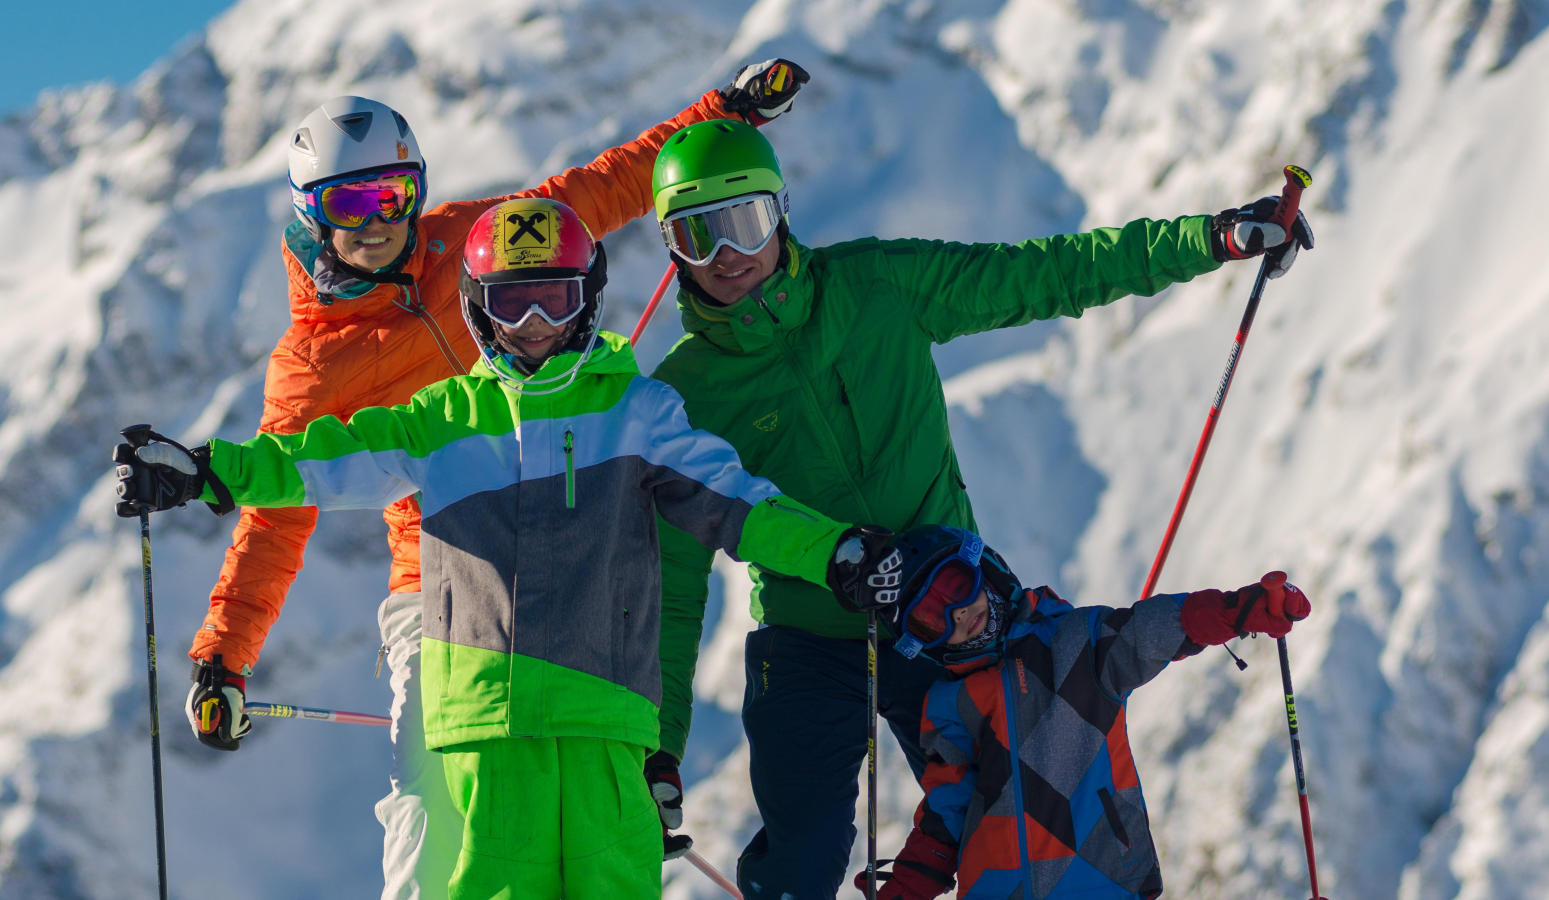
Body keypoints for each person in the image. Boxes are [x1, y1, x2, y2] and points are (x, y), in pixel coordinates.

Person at [122, 197, 900, 899]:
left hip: (603, 725)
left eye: (553, 299)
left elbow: (739, 504)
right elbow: (319, 458)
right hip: (481, 733)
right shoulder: (444, 418)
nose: (531, 324)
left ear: (587, 298)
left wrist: (831, 553)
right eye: (509, 301)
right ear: (476, 308)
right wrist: (205, 471)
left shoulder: (637, 414)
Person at [181, 60, 809, 899]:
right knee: (428, 802)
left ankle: (636, 799)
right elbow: (277, 511)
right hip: (446, 576)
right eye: (349, 204)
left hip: (581, 536)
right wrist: (223, 656)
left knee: (611, 733)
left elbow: (598, 192)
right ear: (309, 213)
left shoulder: (472, 242)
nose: (378, 222)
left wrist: (721, 116)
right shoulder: (314, 362)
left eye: (393, 195)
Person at [639, 120, 1315, 899]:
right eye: (697, 234)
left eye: (746, 221)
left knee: (1005, 812)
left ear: (781, 214)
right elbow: (673, 593)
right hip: (806, 637)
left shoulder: (877, 284)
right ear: (671, 248)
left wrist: (1211, 239)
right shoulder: (684, 397)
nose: (728, 253)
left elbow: (1045, 274)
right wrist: (659, 750)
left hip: (948, 618)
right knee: (804, 850)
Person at [830, 525, 1312, 899]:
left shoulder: (1077, 643)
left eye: (955, 585)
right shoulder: (949, 705)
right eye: (929, 618)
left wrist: (1237, 610)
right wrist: (906, 888)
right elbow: (945, 815)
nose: (955, 612)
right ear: (922, 641)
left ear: (985, 568)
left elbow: (1154, 629)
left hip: (1104, 881)